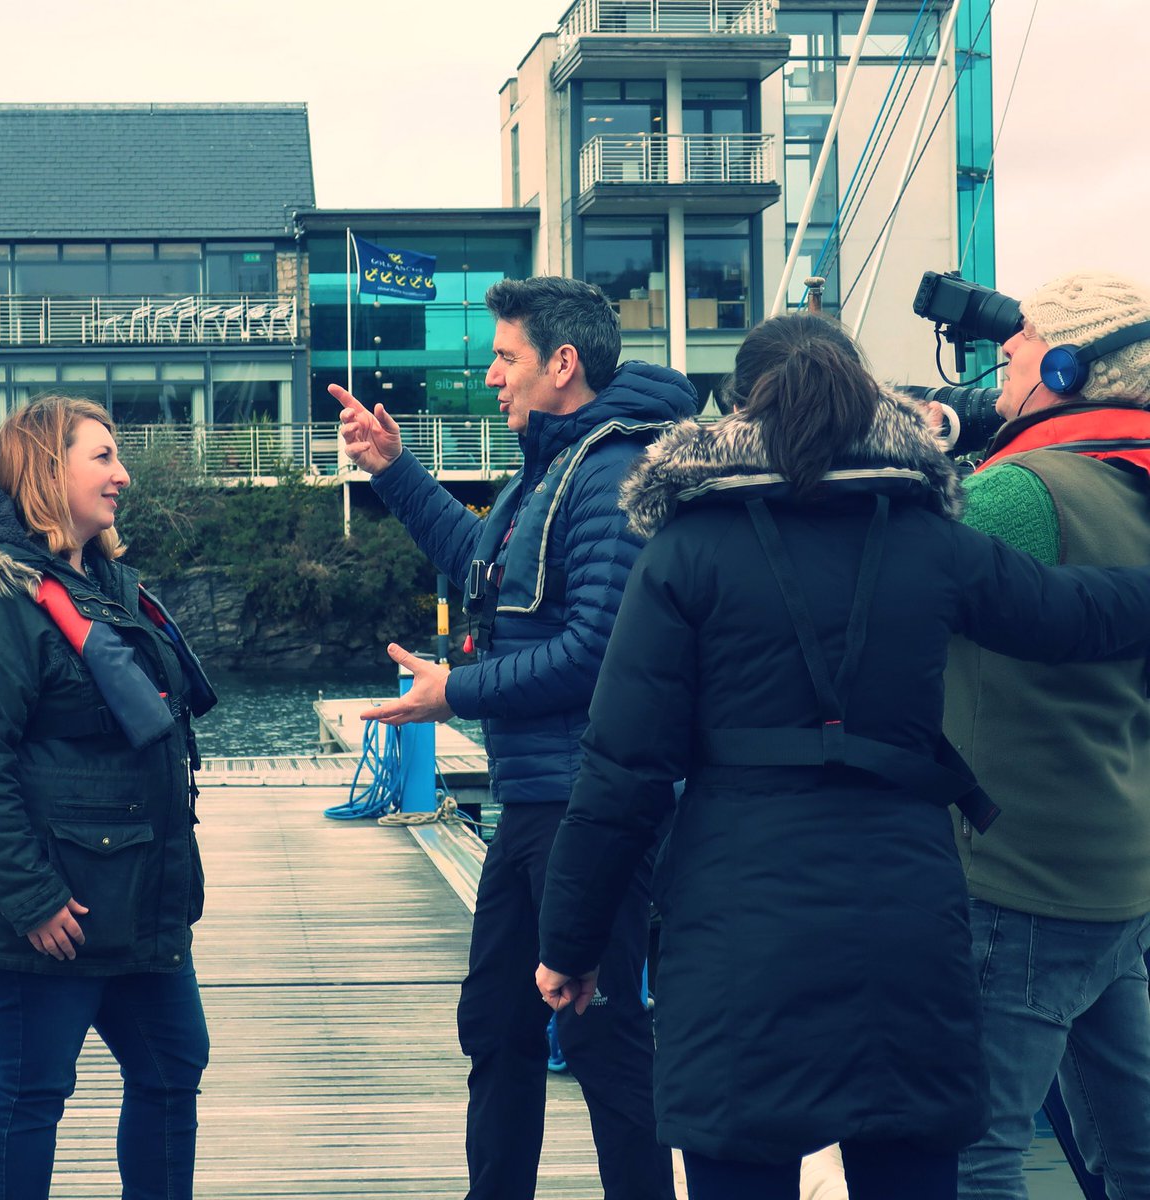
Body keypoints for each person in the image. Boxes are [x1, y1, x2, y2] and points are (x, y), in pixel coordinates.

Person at [533, 311, 1150, 1200]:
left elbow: (621, 772)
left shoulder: (686, 551)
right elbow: (1076, 616)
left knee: (739, 1169)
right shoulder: (929, 540)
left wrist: (571, 945)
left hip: (735, 924)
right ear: (873, 406)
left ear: (737, 409)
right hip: (906, 918)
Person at [333, 275, 695, 1200]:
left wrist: (455, 692)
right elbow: (481, 564)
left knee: (600, 1029)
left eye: (504, 357)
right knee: (497, 1019)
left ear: (562, 364)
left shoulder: (612, 472)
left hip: (589, 797)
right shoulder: (552, 465)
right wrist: (394, 470)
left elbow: (595, 654)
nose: (490, 376)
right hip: (538, 795)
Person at [0, 395, 217, 1200]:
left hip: (138, 898)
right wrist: (32, 899)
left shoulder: (96, 584)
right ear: (45, 469)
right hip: (50, 911)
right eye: (102, 457)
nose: (123, 475)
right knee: (33, 1092)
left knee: (173, 1065)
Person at [942, 272, 1150, 1199]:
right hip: (1117, 864)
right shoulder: (1134, 475)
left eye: (1021, 345)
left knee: (974, 1152)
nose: (1003, 361)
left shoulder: (1024, 493)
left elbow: (900, 585)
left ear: (1070, 367)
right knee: (1133, 1140)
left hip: (1017, 875)